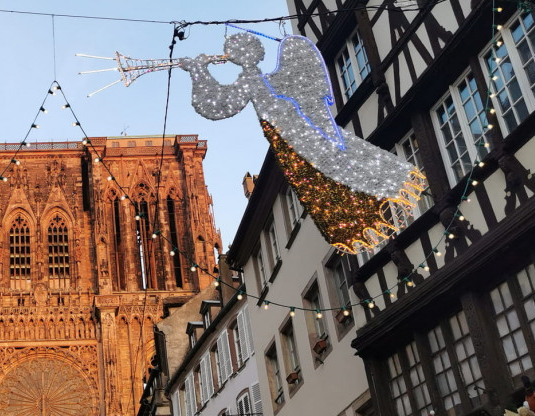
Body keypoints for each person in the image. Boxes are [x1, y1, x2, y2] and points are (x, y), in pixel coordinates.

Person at [176, 33, 426, 253]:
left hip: (297, 141)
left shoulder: (253, 81)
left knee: (336, 181)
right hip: (301, 139)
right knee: (343, 176)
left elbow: (216, 104)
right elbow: (219, 103)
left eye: (233, 51)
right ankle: (379, 208)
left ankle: (371, 215)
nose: (230, 55)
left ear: (241, 55)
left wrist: (198, 70)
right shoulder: (265, 79)